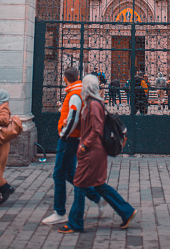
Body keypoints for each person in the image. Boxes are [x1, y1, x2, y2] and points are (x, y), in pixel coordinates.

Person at [58, 74, 137, 234]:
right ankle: (126, 211)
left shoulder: (94, 104)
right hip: (95, 150)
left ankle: (75, 222)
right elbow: (90, 124)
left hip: (92, 151)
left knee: (79, 183)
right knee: (99, 185)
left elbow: (97, 129)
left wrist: (85, 146)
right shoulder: (93, 103)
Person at [42, 68, 103, 225]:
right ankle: (96, 197)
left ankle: (59, 211)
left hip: (69, 139)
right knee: (71, 174)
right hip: (74, 138)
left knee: (58, 174)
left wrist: (63, 134)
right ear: (77, 77)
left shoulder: (74, 93)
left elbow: (73, 117)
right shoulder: (77, 90)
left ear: (64, 78)